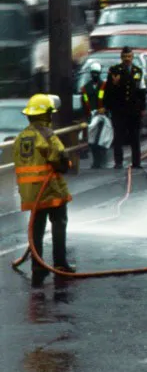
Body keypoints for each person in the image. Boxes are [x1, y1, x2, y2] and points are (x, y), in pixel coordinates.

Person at [13, 94, 76, 280]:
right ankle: (60, 263)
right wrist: (66, 165)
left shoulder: (21, 137)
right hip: (50, 189)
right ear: (45, 115)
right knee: (59, 223)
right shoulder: (47, 135)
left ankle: (37, 266)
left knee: (36, 229)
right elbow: (60, 157)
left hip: (30, 193)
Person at [104, 47, 146, 169]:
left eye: (129, 56)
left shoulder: (137, 71)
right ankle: (118, 162)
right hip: (119, 109)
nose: (127, 59)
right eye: (125, 57)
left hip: (134, 109)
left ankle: (136, 162)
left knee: (135, 136)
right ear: (121, 57)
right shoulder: (115, 70)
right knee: (118, 137)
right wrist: (114, 84)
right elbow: (108, 91)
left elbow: (142, 90)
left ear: (132, 57)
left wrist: (142, 107)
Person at [80, 62, 108, 168]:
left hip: (103, 117)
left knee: (102, 138)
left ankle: (101, 159)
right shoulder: (85, 88)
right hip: (91, 117)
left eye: (97, 73)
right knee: (92, 139)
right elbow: (84, 102)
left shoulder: (104, 86)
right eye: (93, 73)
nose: (95, 75)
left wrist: (105, 110)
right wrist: (88, 113)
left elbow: (108, 100)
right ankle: (96, 160)